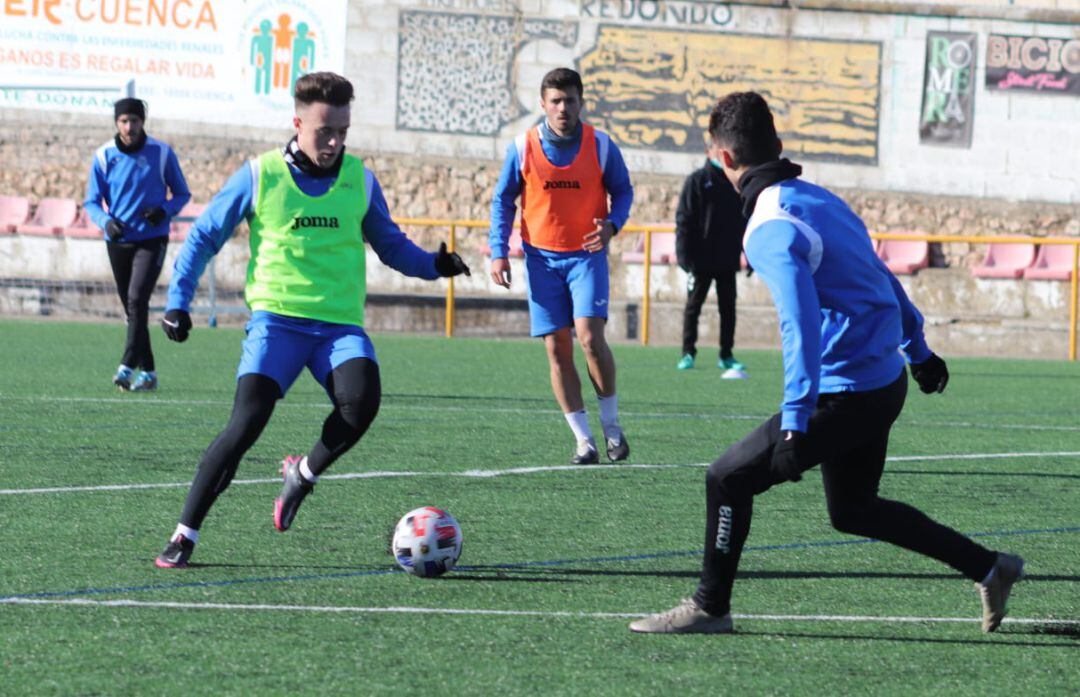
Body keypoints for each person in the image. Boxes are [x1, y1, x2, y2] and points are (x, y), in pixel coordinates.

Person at [630, 92, 1023, 635]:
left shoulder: (767, 225)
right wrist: (919, 350)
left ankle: (709, 606)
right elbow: (881, 276)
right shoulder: (820, 199)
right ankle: (990, 567)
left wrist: (795, 422)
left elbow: (798, 323)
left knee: (725, 479)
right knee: (854, 510)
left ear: (722, 159)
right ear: (778, 146)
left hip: (847, 394)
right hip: (883, 382)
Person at [153, 72, 470, 568]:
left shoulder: (359, 179)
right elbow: (203, 236)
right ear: (297, 122)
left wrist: (434, 264)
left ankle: (302, 474)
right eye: (325, 130)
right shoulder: (260, 175)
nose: (335, 141)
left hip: (338, 328)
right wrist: (178, 301)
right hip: (277, 324)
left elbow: (390, 246)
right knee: (246, 424)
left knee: (361, 404)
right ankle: (184, 532)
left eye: (343, 130)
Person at [489, 68, 634, 465]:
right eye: (555, 100)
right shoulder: (522, 147)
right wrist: (498, 251)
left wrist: (612, 225)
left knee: (589, 337)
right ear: (543, 104)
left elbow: (623, 191)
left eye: (570, 100)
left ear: (580, 102)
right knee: (557, 348)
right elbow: (503, 200)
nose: (563, 108)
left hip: (586, 256)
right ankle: (583, 441)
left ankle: (612, 426)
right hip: (541, 259)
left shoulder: (601, 146)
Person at [84, 97, 192, 392]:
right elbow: (91, 201)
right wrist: (106, 223)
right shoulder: (104, 155)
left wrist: (164, 211)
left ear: (143, 121)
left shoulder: (161, 153)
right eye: (124, 121)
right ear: (116, 123)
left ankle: (127, 363)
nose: (129, 127)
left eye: (134, 120)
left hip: (152, 240)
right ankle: (150, 374)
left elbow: (182, 194)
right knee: (134, 310)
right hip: (118, 241)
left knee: (135, 299)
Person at [674, 143, 747, 377]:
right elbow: (684, 219)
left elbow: (745, 220)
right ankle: (688, 353)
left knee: (728, 308)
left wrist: (748, 253)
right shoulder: (697, 180)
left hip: (727, 258)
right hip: (700, 260)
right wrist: (685, 256)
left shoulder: (735, 183)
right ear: (708, 151)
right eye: (716, 148)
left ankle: (726, 354)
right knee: (693, 307)